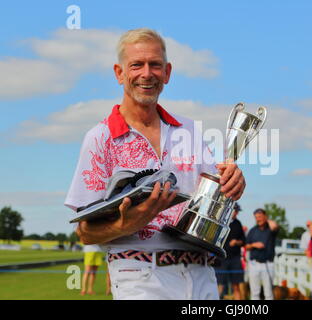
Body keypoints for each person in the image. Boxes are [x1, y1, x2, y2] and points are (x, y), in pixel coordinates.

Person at [65, 28, 246, 300]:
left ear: (168, 72)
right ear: (119, 72)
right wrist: (128, 223)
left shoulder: (190, 130)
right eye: (136, 65)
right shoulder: (100, 138)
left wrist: (233, 183)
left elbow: (215, 196)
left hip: (201, 273)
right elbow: (85, 233)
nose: (147, 73)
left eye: (155, 65)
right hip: (139, 274)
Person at [214, 203, 246, 300]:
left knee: (236, 286)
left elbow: (243, 241)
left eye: (237, 211)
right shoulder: (220, 222)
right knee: (220, 285)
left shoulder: (238, 223)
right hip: (222, 258)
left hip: (235, 258)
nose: (236, 213)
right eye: (234, 210)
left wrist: (236, 242)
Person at [245, 208, 279, 300]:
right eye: (256, 217)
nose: (258, 219)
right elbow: (246, 246)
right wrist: (254, 245)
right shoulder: (252, 230)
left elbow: (275, 226)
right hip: (254, 264)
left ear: (265, 217)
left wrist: (267, 220)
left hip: (268, 264)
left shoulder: (270, 229)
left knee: (268, 293)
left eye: (260, 217)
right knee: (255, 292)